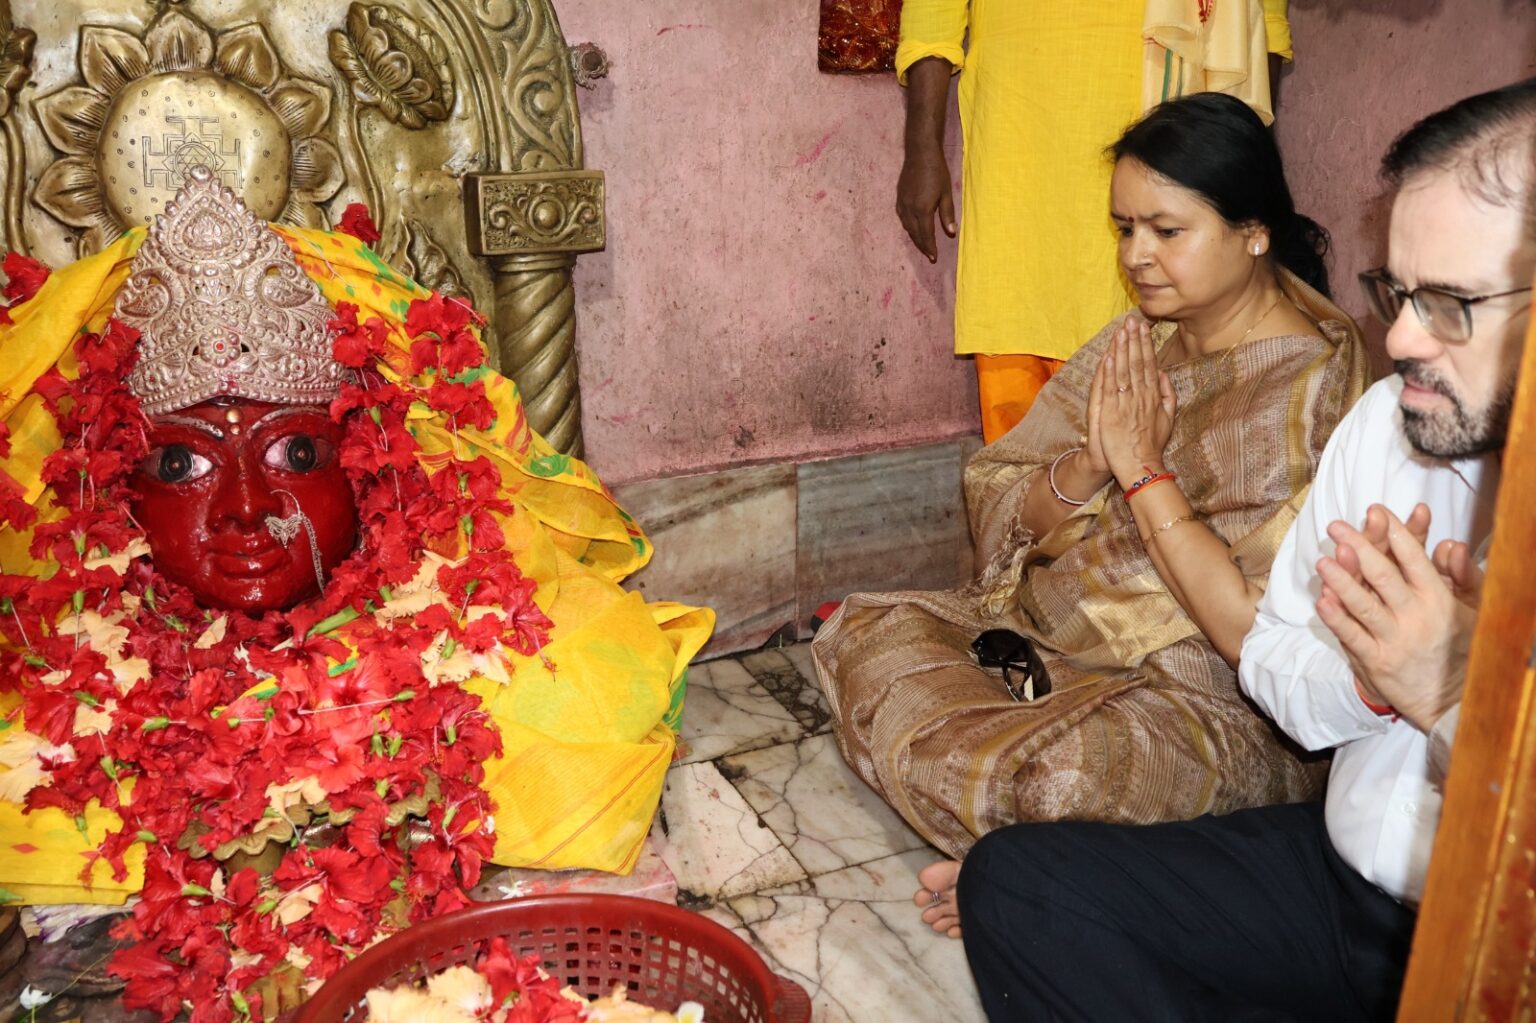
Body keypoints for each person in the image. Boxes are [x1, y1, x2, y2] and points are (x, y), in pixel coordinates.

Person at [0, 166, 712, 1017]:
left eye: (294, 456)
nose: (245, 509)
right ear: (114, 486)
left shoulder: (495, 660)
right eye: (182, 463)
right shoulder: (58, 701)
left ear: (370, 467)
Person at [939, 78, 1536, 1022]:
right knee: (1017, 884)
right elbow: (1280, 662)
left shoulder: (1320, 380)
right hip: (1346, 881)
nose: (1402, 335)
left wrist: (1457, 699)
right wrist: (1377, 678)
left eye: (1453, 301)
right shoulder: (1392, 423)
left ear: (1251, 233)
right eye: (1398, 291)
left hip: (1495, 939)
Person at [816, 92, 1369, 860]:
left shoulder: (1312, 395)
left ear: (1253, 233)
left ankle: (1041, 862)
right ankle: (1039, 857)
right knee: (863, 633)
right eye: (1126, 229)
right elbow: (1003, 487)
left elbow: (1256, 632)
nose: (1137, 255)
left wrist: (1142, 471)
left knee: (1059, 782)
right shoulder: (1140, 338)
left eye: (1166, 231)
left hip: (1211, 700)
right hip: (1052, 638)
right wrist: (1089, 463)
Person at [896, 0, 1295, 441]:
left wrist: (1249, 163)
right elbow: (932, 13)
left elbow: (1264, 22)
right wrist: (921, 146)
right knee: (1017, 425)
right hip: (1020, 151)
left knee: (1165, 401)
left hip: (1169, 124)